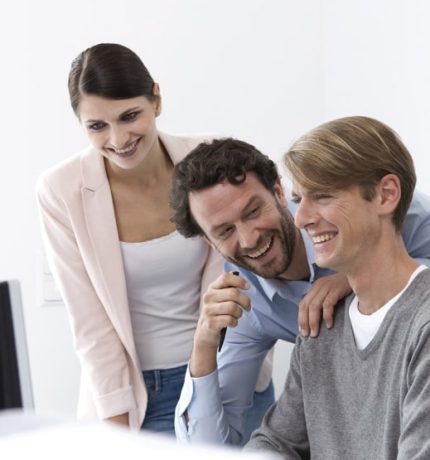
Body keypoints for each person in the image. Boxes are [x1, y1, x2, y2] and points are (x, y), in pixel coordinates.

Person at [36, 43, 272, 436]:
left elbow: (245, 259)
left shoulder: (206, 157)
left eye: (130, 116)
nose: (118, 138)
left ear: (156, 100)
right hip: (138, 397)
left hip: (228, 369)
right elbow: (90, 325)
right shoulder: (61, 190)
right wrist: (116, 432)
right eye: (97, 126)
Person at [169, 134, 430, 445]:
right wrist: (203, 345)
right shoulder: (247, 300)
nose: (249, 239)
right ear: (209, 242)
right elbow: (214, 449)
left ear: (279, 191)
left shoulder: (376, 204)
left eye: (253, 212)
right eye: (225, 231)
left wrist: (353, 276)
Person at [244, 116, 430, 458]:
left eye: (323, 196)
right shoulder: (320, 325)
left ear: (386, 195)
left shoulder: (423, 325)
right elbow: (275, 442)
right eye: (300, 199)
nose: (301, 219)